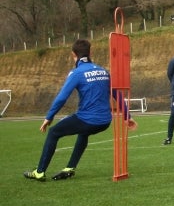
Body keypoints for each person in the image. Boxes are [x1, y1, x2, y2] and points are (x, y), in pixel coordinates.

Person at [23, 39, 135, 181]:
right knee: (83, 133)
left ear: (73, 55)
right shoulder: (103, 71)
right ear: (90, 53)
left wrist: (49, 117)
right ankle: (70, 168)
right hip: (105, 121)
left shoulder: (76, 73)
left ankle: (39, 172)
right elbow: (117, 94)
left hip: (88, 119)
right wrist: (127, 116)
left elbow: (62, 98)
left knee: (53, 132)